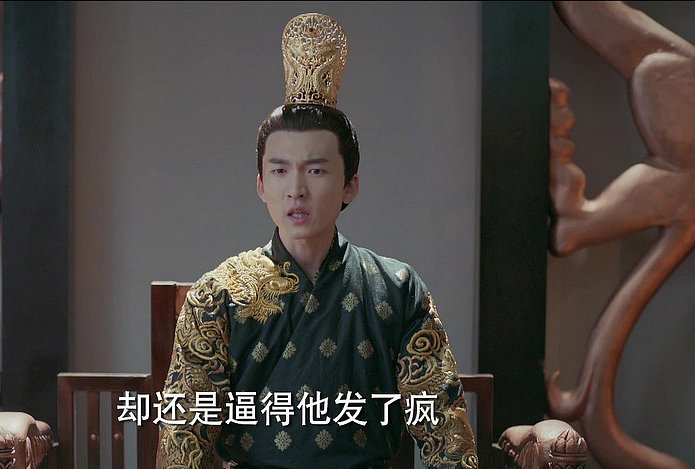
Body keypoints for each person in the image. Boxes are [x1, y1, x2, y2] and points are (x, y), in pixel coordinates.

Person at [157, 13, 476, 469]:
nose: (296, 189)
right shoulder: (218, 294)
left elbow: (442, 424)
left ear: (350, 185)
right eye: (280, 170)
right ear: (261, 185)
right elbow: (183, 436)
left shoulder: (397, 289)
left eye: (316, 169)